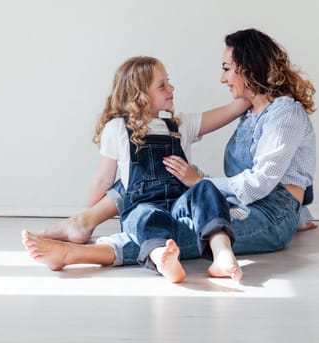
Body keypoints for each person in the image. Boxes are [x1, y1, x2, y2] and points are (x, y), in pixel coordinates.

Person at [23, 28, 316, 276]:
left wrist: (198, 182)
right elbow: (289, 168)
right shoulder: (253, 113)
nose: (222, 78)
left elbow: (264, 183)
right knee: (146, 191)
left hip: (267, 211)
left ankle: (79, 254)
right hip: (248, 204)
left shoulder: (283, 114)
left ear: (248, 69)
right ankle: (84, 222)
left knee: (177, 231)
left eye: (227, 69)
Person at [23, 56, 250, 282]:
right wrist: (90, 217)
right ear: (139, 96)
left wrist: (256, 83)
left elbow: (233, 109)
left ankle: (222, 254)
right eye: (161, 85)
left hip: (180, 207)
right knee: (147, 216)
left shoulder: (181, 126)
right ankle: (163, 258)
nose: (171, 88)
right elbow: (104, 179)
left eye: (167, 81)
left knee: (206, 188)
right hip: (142, 207)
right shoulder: (117, 129)